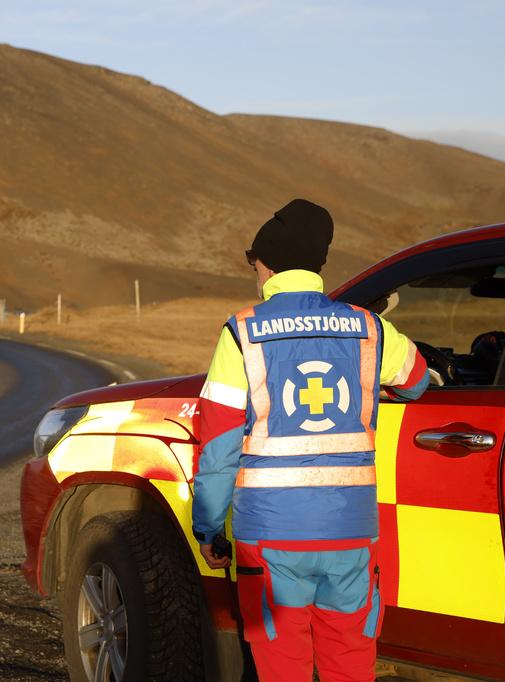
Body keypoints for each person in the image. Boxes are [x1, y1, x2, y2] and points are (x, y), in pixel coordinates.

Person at [192, 199, 430, 682]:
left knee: (283, 670)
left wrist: (209, 529)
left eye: (254, 263)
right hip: (351, 531)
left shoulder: (241, 332)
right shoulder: (368, 326)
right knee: (350, 663)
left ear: (267, 264)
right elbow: (418, 379)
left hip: (269, 538)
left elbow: (218, 446)